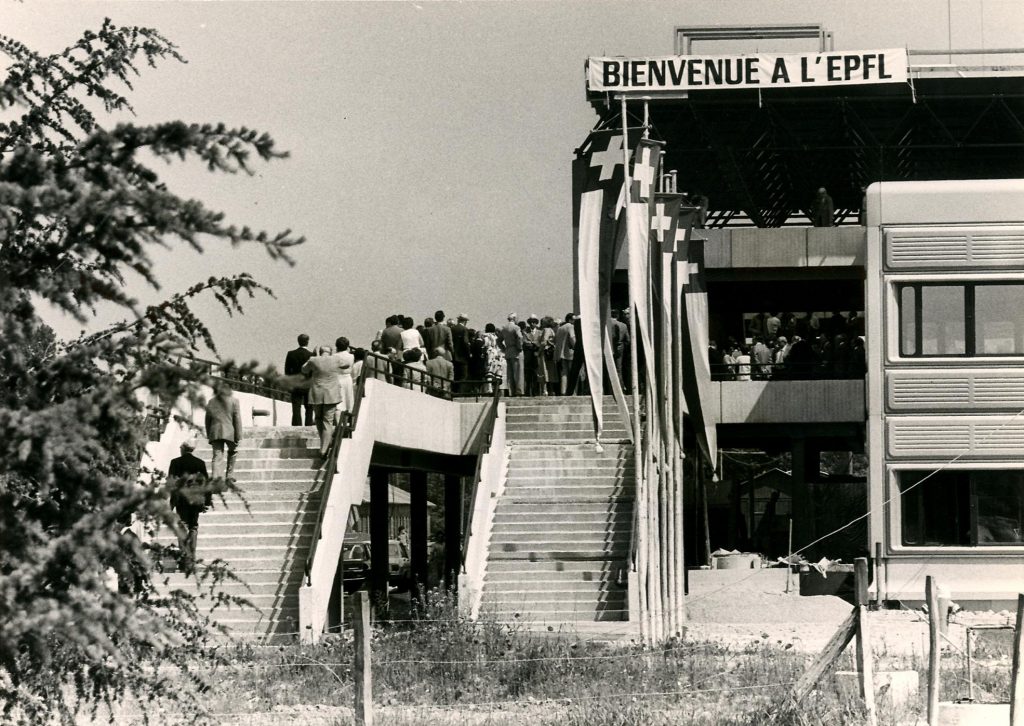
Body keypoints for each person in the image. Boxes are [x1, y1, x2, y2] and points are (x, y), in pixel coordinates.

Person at [168, 440, 210, 573]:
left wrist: (171, 503)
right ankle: (191, 560)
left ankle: (184, 561)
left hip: (181, 500)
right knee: (193, 527)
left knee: (182, 527)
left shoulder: (175, 462)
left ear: (183, 449)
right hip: (196, 500)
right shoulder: (200, 463)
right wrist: (207, 501)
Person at [302, 345, 345, 457]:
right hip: (331, 394)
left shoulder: (313, 360)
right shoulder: (335, 359)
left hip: (317, 394)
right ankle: (324, 448)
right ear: (330, 352)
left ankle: (324, 445)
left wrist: (315, 356)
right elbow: (347, 364)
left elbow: (304, 369)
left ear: (320, 352)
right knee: (327, 421)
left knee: (318, 419)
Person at [205, 381, 242, 482]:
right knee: (233, 451)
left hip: (215, 431)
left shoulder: (211, 401)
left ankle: (216, 479)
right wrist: (238, 435)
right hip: (230, 431)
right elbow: (237, 418)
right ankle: (229, 476)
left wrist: (209, 434)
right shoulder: (234, 401)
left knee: (217, 455)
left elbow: (207, 419)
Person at [284, 334, 314, 426]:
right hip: (308, 384)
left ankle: (296, 426)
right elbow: (313, 371)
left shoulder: (291, 354)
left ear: (298, 341)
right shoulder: (311, 355)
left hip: (295, 384)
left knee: (296, 407)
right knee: (309, 407)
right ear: (307, 342)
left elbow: (287, 370)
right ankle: (308, 425)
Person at [498, 313, 523, 396]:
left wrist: (504, 349)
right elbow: (519, 337)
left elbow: (498, 340)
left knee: (510, 374)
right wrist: (519, 347)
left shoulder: (504, 328)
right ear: (514, 318)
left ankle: (511, 391)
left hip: (508, 351)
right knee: (518, 373)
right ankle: (519, 391)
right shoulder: (516, 327)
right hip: (516, 351)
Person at [554, 313, 576, 395]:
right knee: (572, 373)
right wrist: (576, 348)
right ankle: (572, 391)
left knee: (564, 373)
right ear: (570, 319)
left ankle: (563, 391)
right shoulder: (570, 326)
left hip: (561, 353)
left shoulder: (560, 328)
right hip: (570, 353)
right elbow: (572, 338)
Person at [522, 315, 544, 396]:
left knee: (536, 373)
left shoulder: (540, 332)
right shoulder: (525, 332)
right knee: (528, 373)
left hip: (536, 354)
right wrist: (533, 343)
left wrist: (533, 343)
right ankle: (527, 391)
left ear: (536, 323)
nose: (532, 324)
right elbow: (524, 342)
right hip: (528, 354)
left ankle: (536, 391)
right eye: (531, 322)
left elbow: (541, 342)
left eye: (534, 322)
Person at [335, 337, 356, 413]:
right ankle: (345, 421)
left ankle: (337, 422)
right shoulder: (351, 356)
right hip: (347, 378)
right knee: (348, 401)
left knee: (338, 403)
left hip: (337, 378)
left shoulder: (334, 356)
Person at [451, 313, 472, 388]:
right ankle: (460, 393)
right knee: (463, 376)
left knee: (455, 376)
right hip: (462, 357)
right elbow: (465, 342)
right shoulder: (464, 329)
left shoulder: (453, 328)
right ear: (465, 321)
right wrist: (469, 353)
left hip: (454, 355)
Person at [610, 309, 630, 385]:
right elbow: (628, 340)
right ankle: (619, 387)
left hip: (609, 348)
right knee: (619, 369)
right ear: (618, 316)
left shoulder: (607, 324)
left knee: (608, 369)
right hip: (619, 348)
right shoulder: (623, 325)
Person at [539, 316, 558, 395]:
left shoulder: (546, 330)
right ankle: (552, 389)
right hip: (551, 352)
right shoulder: (552, 330)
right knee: (551, 371)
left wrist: (539, 350)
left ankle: (545, 390)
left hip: (545, 352)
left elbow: (544, 341)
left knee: (544, 370)